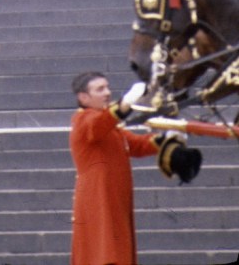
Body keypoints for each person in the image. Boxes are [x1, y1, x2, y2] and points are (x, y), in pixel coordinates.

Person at [70, 71, 201, 265]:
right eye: (100, 89)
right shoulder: (83, 120)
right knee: (103, 253)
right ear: (83, 97)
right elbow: (99, 124)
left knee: (113, 250)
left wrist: (168, 136)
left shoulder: (110, 127)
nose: (107, 92)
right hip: (98, 197)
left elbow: (137, 145)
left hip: (113, 196)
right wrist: (126, 103)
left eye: (107, 87)